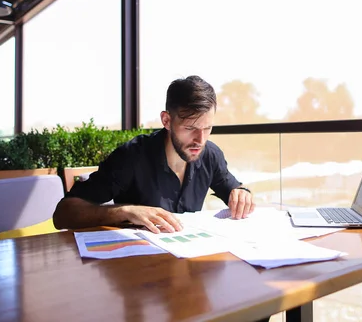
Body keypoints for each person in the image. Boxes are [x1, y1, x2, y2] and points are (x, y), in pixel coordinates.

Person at [53, 75, 255, 233]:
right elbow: (63, 214)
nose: (200, 140)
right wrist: (124, 211)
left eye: (207, 128)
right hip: (139, 269)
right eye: (190, 128)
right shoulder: (131, 157)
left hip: (189, 264)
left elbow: (234, 189)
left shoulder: (210, 154)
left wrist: (242, 194)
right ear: (166, 121)